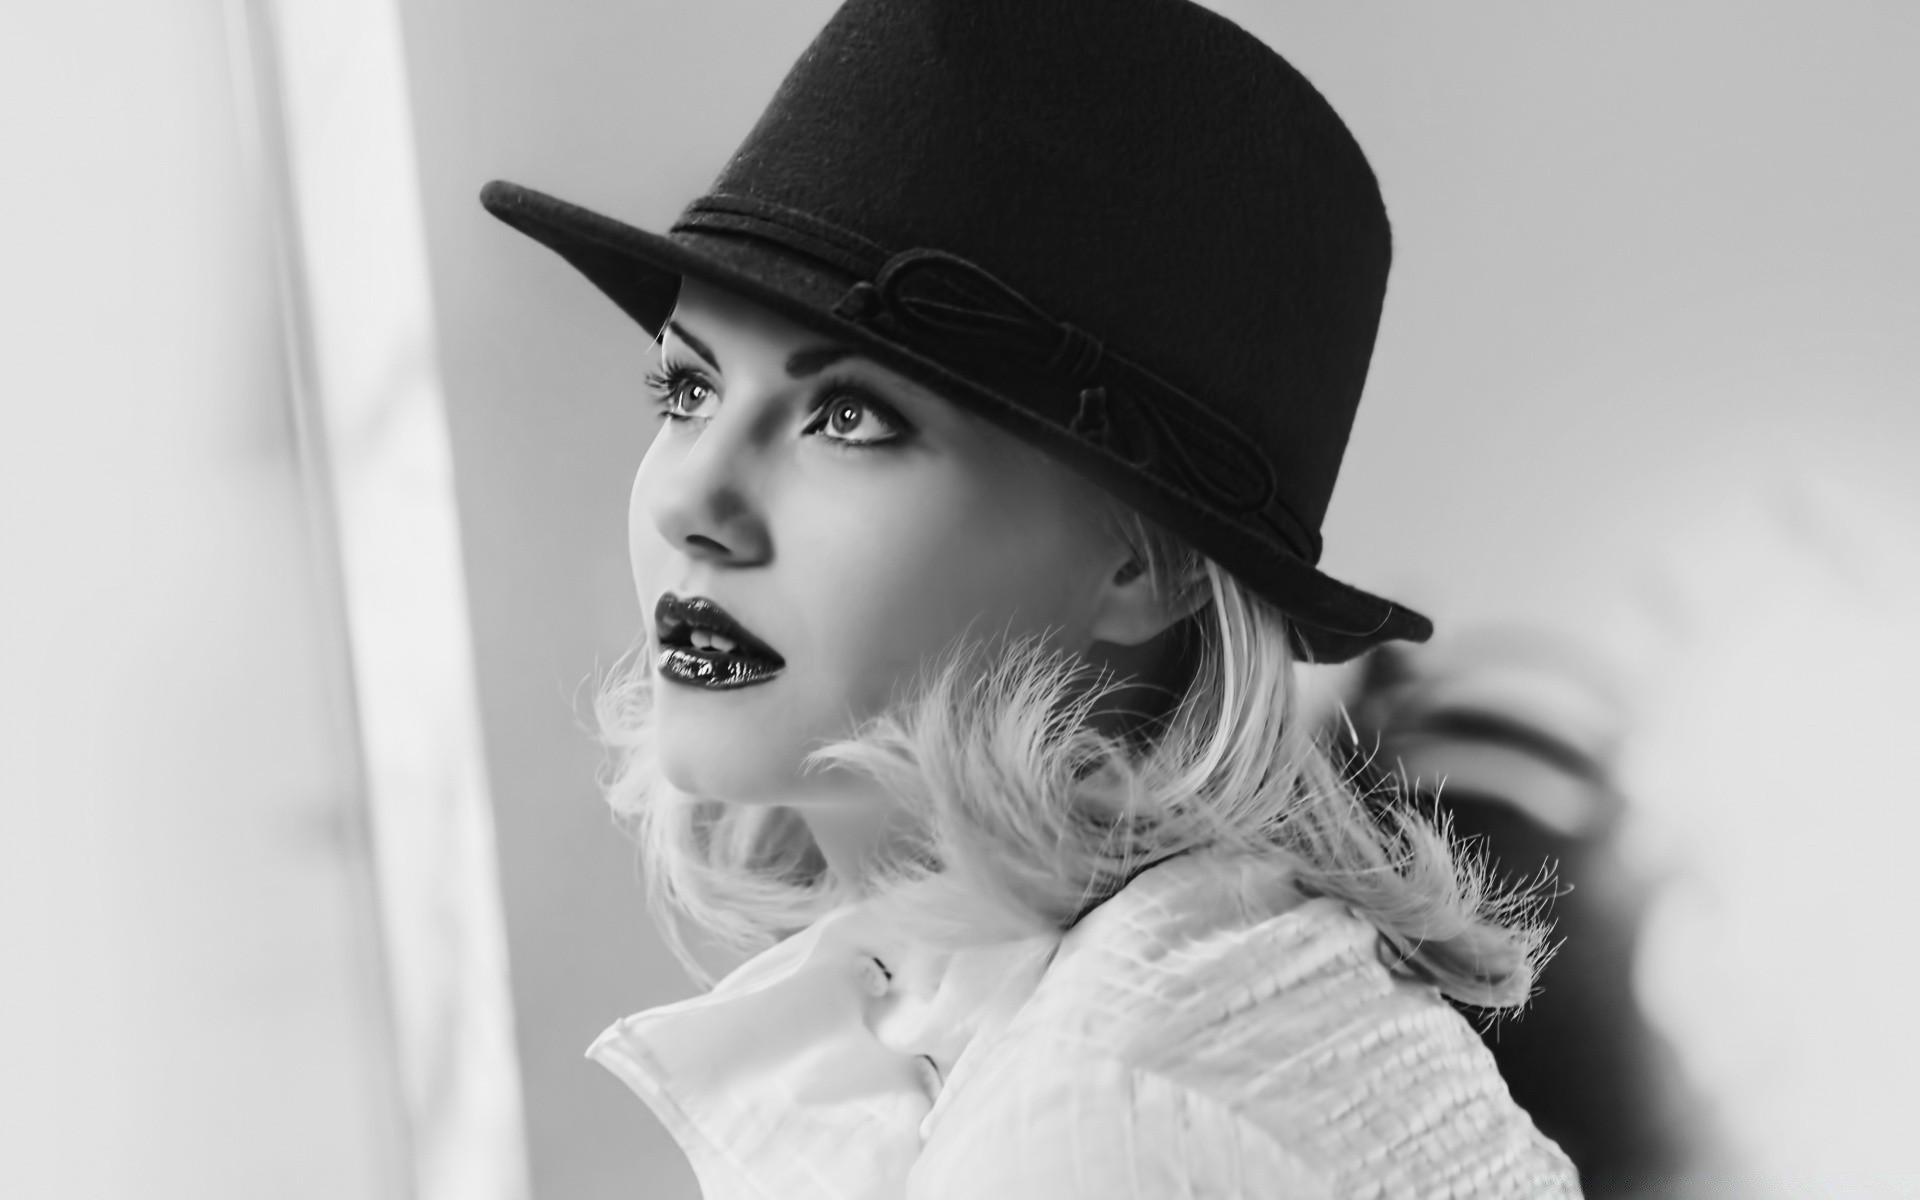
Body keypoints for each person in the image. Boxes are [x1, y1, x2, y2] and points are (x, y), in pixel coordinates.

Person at [483, 0, 1580, 1194]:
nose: (693, 502)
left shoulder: (1088, 1125)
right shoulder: (1180, 994)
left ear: (1147, 563)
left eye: (848, 416)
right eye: (688, 390)